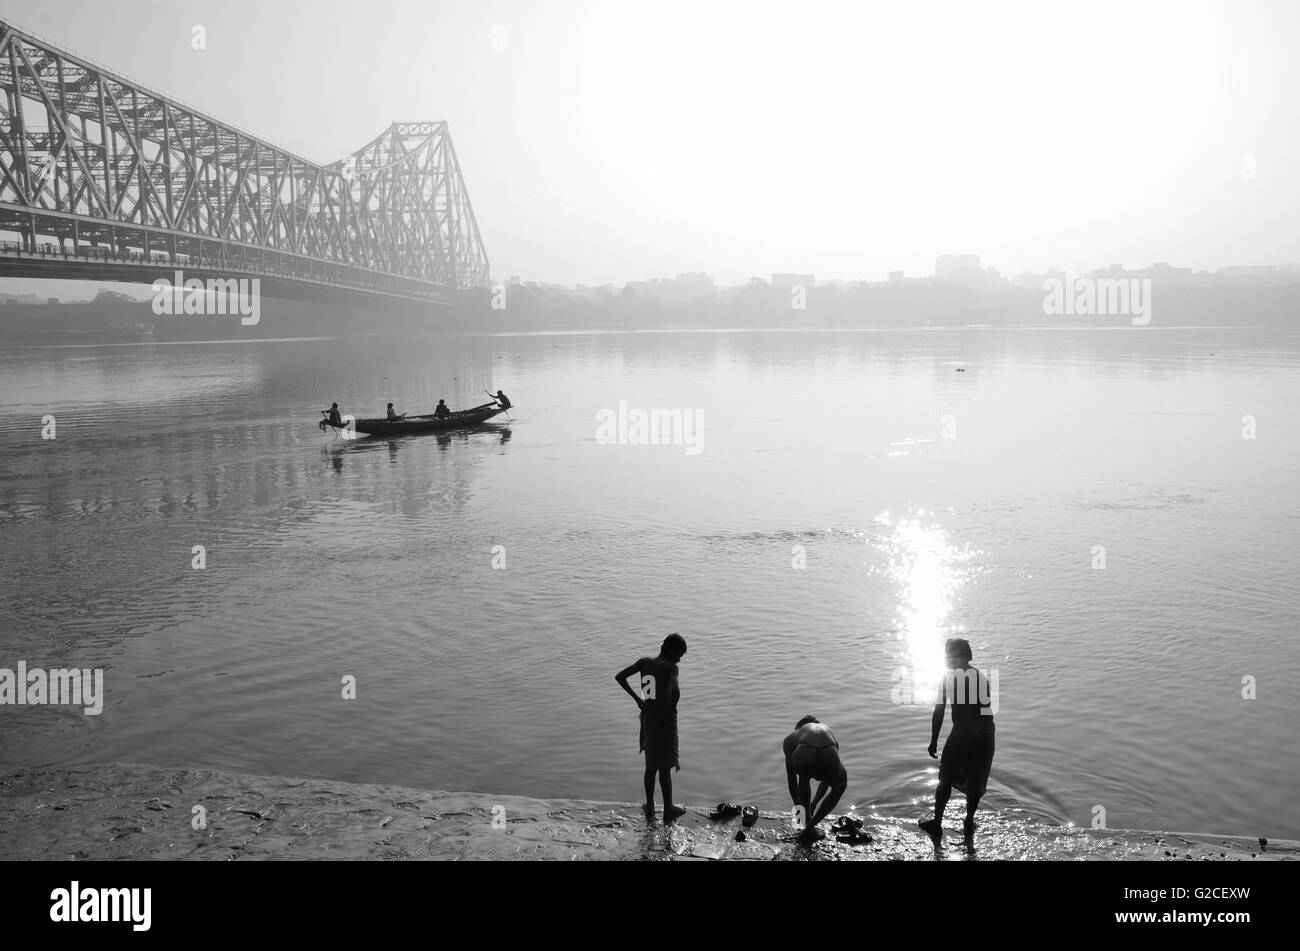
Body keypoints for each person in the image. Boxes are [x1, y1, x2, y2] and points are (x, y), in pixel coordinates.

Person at [920, 637, 995, 836]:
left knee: (945, 777)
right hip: (986, 732)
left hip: (964, 731)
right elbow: (985, 709)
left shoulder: (948, 677)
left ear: (955, 656)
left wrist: (934, 740)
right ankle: (969, 821)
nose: (945, 658)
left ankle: (936, 823)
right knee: (977, 777)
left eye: (947, 654)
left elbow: (939, 710)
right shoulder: (980, 676)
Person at [615, 634, 687, 822]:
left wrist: (638, 699)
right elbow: (673, 697)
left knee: (650, 766)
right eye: (679, 655)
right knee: (664, 768)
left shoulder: (645, 663)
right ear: (671, 651)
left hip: (647, 717)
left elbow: (620, 677)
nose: (679, 659)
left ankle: (650, 805)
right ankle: (669, 809)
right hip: (664, 722)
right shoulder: (670, 668)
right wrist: (666, 715)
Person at [783, 716, 848, 844]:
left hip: (804, 750)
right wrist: (814, 803)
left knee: (803, 777)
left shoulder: (792, 737)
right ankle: (810, 827)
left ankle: (806, 824)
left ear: (799, 729)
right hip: (829, 748)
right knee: (840, 785)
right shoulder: (827, 732)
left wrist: (799, 808)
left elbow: (791, 780)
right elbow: (827, 779)